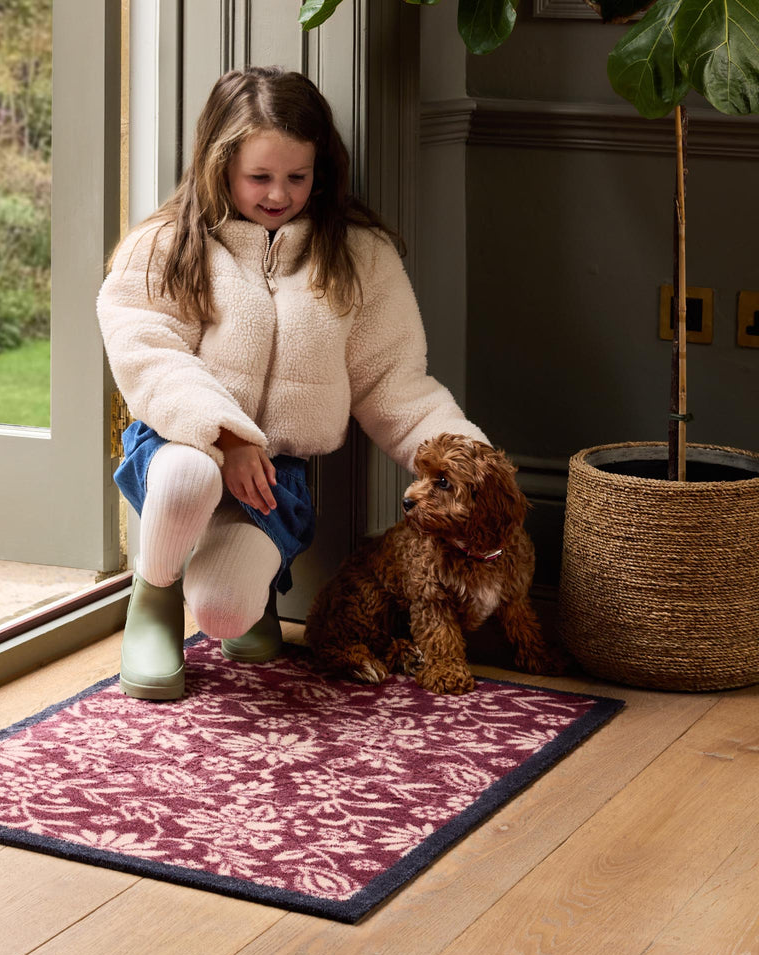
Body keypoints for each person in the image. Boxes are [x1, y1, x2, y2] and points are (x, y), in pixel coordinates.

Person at [97, 65, 488, 701]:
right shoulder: (167, 244)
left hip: (274, 479)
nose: (278, 194)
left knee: (226, 615)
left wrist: (471, 456)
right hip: (178, 450)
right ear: (219, 165)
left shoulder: (358, 257)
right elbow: (148, 350)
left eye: (296, 177)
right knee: (189, 471)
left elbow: (394, 381)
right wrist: (225, 435)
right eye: (259, 177)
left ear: (320, 171)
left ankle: (244, 591)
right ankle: (155, 597)